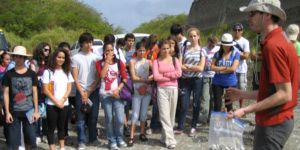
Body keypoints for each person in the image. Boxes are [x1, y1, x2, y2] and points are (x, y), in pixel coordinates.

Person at [224, 1, 299, 149]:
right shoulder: (279, 40)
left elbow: (285, 94)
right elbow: (271, 92)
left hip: (273, 123)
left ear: (267, 14)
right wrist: (241, 94)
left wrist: (245, 110)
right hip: (276, 121)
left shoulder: (273, 46)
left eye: (252, 13)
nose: (248, 18)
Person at [71, 33, 104, 150]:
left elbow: (98, 77)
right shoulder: (75, 58)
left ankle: (93, 139)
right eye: (86, 42)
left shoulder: (96, 58)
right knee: (80, 118)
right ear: (81, 43)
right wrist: (83, 93)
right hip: (80, 91)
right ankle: (81, 141)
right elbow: (75, 77)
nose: (89, 44)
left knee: (94, 116)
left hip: (93, 91)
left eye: (90, 42)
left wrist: (89, 92)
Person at [3, 46, 39, 150]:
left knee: (30, 138)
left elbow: (35, 93)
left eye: (20, 57)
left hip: (29, 110)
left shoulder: (31, 74)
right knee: (14, 141)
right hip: (13, 110)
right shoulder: (8, 75)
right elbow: (5, 93)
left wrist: (36, 111)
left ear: (24, 58)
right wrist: (7, 112)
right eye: (16, 56)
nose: (18, 59)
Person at [174, 28, 205, 137]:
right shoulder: (183, 48)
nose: (192, 38)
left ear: (198, 36)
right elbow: (179, 65)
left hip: (197, 80)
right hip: (185, 80)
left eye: (194, 36)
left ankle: (193, 126)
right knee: (184, 103)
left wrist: (189, 66)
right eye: (191, 36)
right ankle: (180, 127)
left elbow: (201, 68)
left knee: (196, 103)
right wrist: (187, 68)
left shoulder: (202, 50)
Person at [95, 42, 128, 150]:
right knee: (109, 118)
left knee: (119, 119)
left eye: (111, 50)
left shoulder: (119, 63)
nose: (109, 52)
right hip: (105, 95)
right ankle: (111, 140)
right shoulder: (99, 63)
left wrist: (118, 89)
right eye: (107, 50)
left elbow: (125, 79)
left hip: (117, 95)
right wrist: (106, 62)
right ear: (104, 52)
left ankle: (119, 138)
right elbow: (102, 76)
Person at [41, 48, 74, 150]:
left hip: (64, 103)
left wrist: (62, 100)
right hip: (51, 104)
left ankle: (62, 147)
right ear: (54, 57)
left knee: (62, 127)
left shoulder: (67, 72)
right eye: (59, 57)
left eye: (63, 58)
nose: (61, 59)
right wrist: (56, 102)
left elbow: (69, 89)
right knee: (51, 128)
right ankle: (52, 148)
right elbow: (46, 90)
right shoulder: (48, 72)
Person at [152, 39, 182, 149]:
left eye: (167, 48)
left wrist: (165, 74)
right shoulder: (156, 61)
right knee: (164, 115)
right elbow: (156, 77)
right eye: (163, 48)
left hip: (174, 89)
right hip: (161, 90)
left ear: (171, 48)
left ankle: (164, 136)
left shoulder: (175, 60)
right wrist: (171, 76)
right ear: (160, 49)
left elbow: (179, 73)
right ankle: (170, 140)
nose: (165, 50)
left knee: (171, 115)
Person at [127, 42, 153, 147]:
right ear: (136, 50)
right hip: (136, 92)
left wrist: (152, 77)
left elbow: (156, 71)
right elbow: (133, 77)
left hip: (147, 92)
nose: (142, 52)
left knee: (143, 114)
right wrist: (147, 80)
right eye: (140, 50)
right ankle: (131, 136)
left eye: (143, 50)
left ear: (146, 51)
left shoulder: (149, 62)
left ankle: (141, 134)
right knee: (135, 114)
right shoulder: (132, 62)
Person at [211, 33, 240, 112]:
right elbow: (212, 67)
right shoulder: (217, 54)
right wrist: (225, 68)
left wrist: (219, 71)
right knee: (217, 104)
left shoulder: (235, 53)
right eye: (224, 45)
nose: (226, 47)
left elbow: (233, 69)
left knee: (229, 104)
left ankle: (228, 122)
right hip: (217, 82)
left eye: (228, 45)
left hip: (230, 81)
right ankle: (217, 122)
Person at [30, 42, 52, 143]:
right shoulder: (34, 62)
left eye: (49, 50)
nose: (47, 52)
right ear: (40, 50)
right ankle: (37, 133)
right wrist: (42, 78)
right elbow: (33, 75)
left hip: (47, 88)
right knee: (37, 111)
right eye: (45, 50)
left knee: (47, 113)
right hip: (38, 88)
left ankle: (45, 133)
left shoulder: (49, 62)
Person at [198, 35, 220, 126]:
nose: (211, 47)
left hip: (215, 76)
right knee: (205, 98)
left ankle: (212, 118)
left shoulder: (219, 49)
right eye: (209, 45)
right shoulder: (203, 50)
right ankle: (203, 119)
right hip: (205, 76)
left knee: (213, 98)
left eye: (213, 46)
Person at [58, 42, 75, 145]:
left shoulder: (73, 61)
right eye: (64, 50)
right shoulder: (58, 63)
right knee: (62, 117)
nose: (66, 52)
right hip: (61, 94)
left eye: (68, 50)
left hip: (72, 92)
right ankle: (63, 135)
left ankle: (66, 134)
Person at [232, 23, 250, 109]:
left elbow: (246, 56)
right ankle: (229, 108)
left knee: (242, 89)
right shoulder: (230, 41)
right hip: (231, 69)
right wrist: (240, 54)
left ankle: (242, 108)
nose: (237, 31)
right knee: (230, 89)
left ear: (242, 31)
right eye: (235, 30)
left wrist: (234, 54)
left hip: (241, 69)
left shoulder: (245, 41)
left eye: (239, 30)